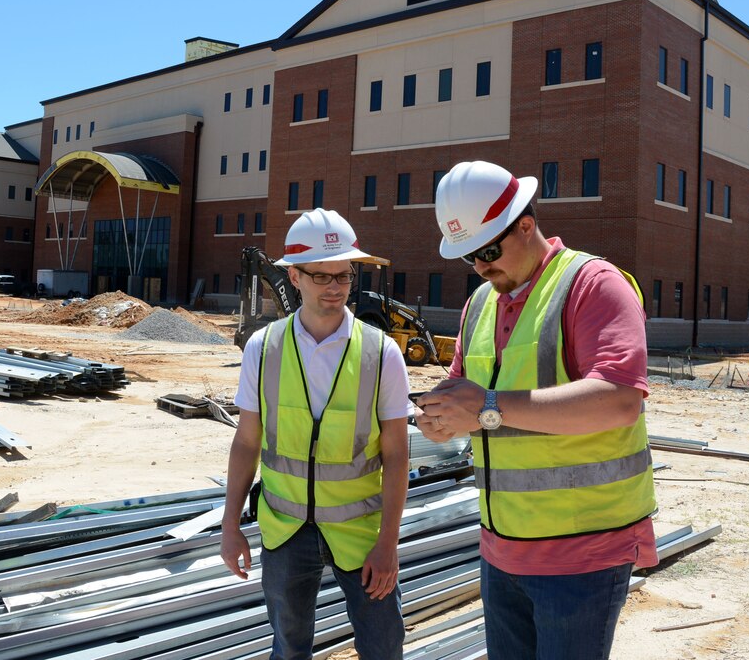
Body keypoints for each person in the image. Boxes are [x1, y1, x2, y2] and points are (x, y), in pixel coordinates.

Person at [414, 160, 657, 660]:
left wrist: (484, 410)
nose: (480, 266)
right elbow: (468, 397)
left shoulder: (593, 284)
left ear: (526, 225)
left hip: (582, 553)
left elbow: (619, 399)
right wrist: (441, 418)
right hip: (501, 545)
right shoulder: (480, 303)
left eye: (487, 250)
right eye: (468, 257)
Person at [220, 208, 411, 660]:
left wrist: (389, 543)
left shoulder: (381, 352)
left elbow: (399, 455)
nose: (335, 288)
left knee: (383, 647)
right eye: (321, 277)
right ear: (294, 276)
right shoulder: (263, 349)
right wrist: (230, 524)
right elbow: (247, 442)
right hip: (285, 531)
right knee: (289, 649)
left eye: (343, 276)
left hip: (361, 534)